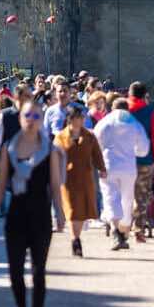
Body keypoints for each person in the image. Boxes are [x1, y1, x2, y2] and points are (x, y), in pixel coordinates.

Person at [0, 93, 64, 307]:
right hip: (16, 216)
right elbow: (0, 186)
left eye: (36, 116)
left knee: (39, 271)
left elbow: (54, 185)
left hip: (40, 217)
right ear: (19, 118)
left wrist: (60, 214)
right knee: (15, 271)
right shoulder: (9, 149)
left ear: (42, 120)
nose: (31, 119)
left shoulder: (50, 151)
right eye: (27, 115)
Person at [92, 97, 151, 250]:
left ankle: (115, 230)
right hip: (128, 167)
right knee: (127, 200)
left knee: (110, 197)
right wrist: (133, 151)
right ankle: (124, 232)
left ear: (112, 107)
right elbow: (144, 149)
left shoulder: (104, 122)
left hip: (108, 165)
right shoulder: (134, 123)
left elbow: (95, 143)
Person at [53, 104, 106, 257]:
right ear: (71, 119)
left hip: (85, 177)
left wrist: (102, 168)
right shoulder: (60, 137)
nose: (83, 120)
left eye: (83, 117)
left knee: (82, 211)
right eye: (80, 117)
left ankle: (76, 236)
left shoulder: (89, 136)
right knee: (72, 210)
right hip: (67, 179)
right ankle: (75, 239)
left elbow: (97, 154)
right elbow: (54, 158)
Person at [126, 81, 154, 242]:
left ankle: (121, 227)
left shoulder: (123, 109)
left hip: (123, 158)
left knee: (124, 194)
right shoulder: (149, 111)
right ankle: (139, 229)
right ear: (144, 95)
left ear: (130, 93)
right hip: (144, 159)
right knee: (140, 196)